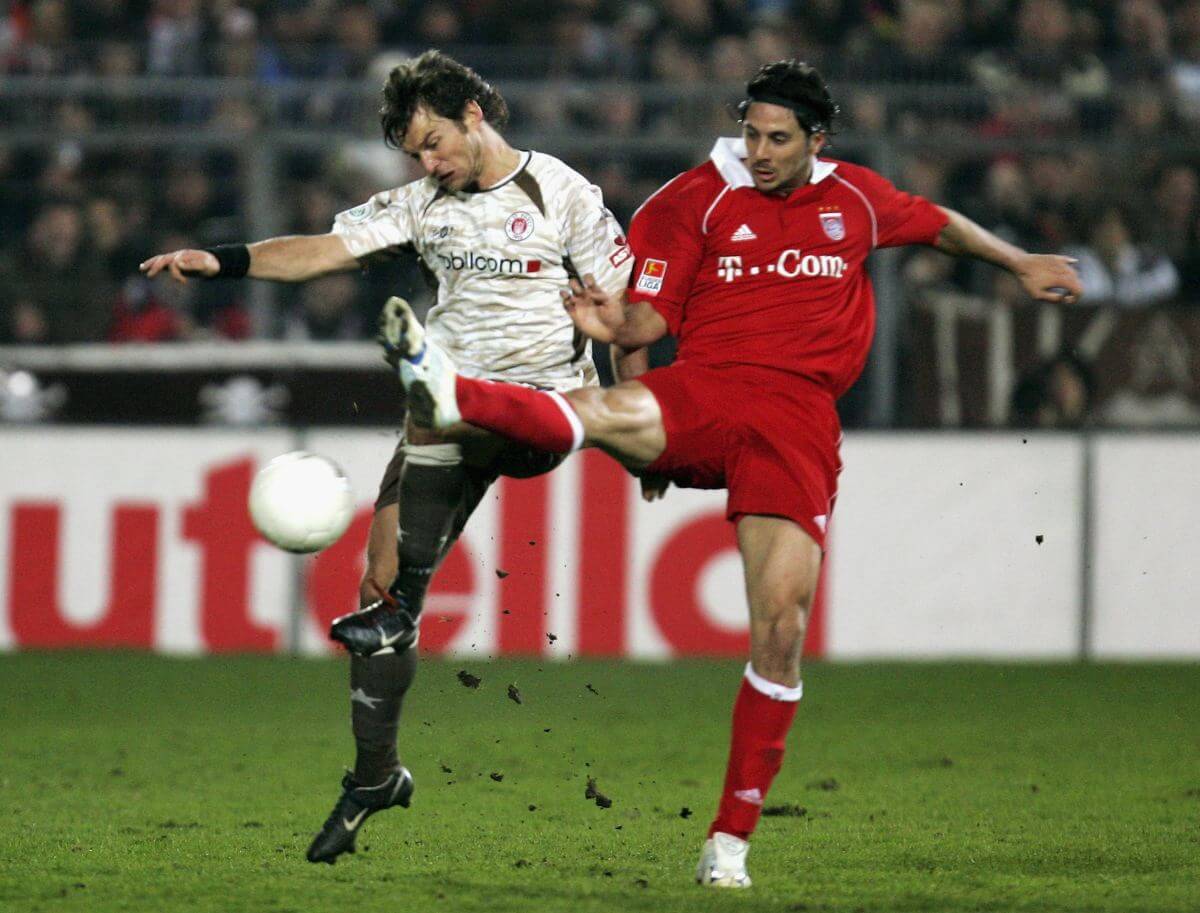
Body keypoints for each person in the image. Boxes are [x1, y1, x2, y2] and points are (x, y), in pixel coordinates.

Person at [382, 60, 1083, 888]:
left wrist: (1019, 261)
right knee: (598, 411)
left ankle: (729, 843)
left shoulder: (854, 197)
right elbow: (645, 317)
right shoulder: (692, 200)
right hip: (707, 390)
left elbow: (938, 225)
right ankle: (452, 390)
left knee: (781, 628)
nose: (758, 150)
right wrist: (616, 333)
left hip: (797, 422)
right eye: (749, 132)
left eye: (777, 138)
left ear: (817, 141)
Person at [140, 50, 641, 864]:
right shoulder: (421, 205)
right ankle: (376, 774)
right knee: (376, 589)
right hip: (447, 413)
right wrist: (221, 260)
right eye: (417, 154)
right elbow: (318, 253)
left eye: (436, 143)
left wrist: (635, 420)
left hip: (538, 408)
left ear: (475, 114)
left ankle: (434, 420)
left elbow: (626, 315)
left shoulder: (563, 194)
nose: (429, 162)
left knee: (440, 405)